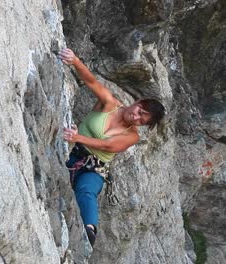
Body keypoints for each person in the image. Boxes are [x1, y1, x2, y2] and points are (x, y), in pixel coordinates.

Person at [58, 48, 165, 245]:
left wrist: (77, 137)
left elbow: (107, 146)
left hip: (94, 168)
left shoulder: (131, 136)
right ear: (137, 102)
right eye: (139, 111)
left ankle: (90, 232)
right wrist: (75, 60)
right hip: (73, 153)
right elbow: (91, 82)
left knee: (87, 190)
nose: (136, 117)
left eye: (142, 120)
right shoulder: (109, 104)